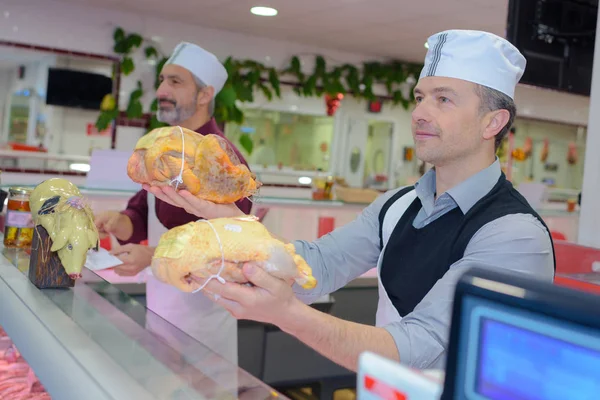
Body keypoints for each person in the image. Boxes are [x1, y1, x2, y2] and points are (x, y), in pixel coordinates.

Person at [146, 30, 556, 371]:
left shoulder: (514, 235)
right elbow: (313, 266)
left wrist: (287, 314)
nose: (419, 113)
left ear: (494, 122)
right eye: (419, 97)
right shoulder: (397, 205)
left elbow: (420, 344)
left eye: (443, 99)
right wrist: (229, 221)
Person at [94, 42, 252, 365]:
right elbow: (142, 211)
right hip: (160, 317)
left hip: (204, 331)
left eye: (175, 82)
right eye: (162, 80)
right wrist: (118, 221)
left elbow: (228, 246)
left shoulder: (225, 162)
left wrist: (151, 256)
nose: (162, 90)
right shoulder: (161, 150)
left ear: (205, 95)